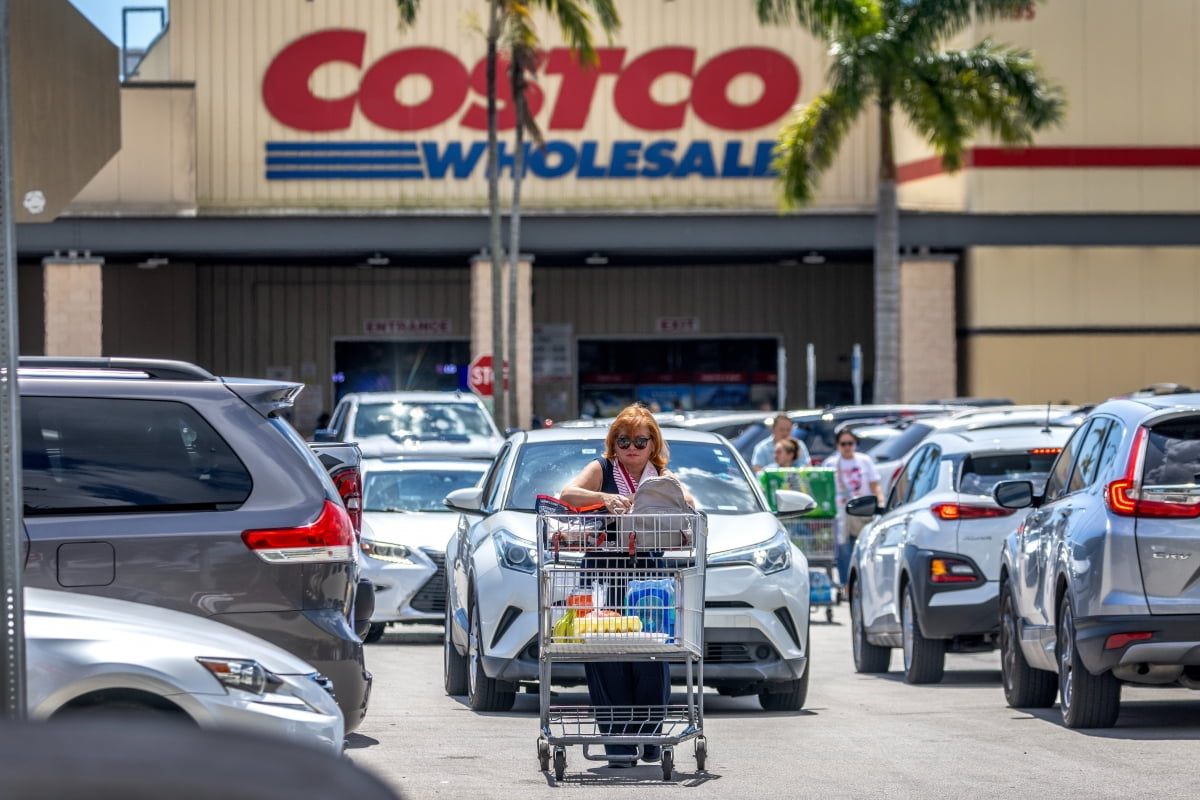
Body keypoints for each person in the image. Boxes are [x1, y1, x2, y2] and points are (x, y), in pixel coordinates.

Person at [560, 404, 695, 768]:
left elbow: (690, 506)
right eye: (623, 440)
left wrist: (662, 502)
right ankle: (619, 742)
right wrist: (605, 498)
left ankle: (649, 738)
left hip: (648, 572)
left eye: (639, 440)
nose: (631, 448)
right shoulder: (601, 469)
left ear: (653, 444)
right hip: (604, 568)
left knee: (651, 653)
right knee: (605, 652)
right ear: (613, 443)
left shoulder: (663, 476)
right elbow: (568, 494)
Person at [822, 428, 884, 590]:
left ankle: (865, 583)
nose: (847, 447)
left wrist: (880, 502)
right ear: (837, 445)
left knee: (864, 547)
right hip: (841, 512)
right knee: (844, 551)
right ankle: (846, 584)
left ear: (855, 444)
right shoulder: (830, 463)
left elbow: (874, 485)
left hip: (862, 511)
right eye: (843, 444)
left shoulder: (865, 461)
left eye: (850, 443)